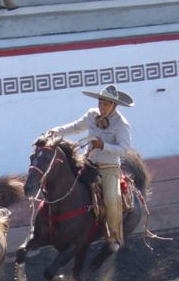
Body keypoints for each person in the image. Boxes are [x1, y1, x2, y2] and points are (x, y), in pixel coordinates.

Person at [46, 84, 134, 253]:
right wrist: (55, 131)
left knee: (111, 199)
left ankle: (114, 237)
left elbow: (124, 149)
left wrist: (103, 145)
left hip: (109, 168)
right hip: (88, 164)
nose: (102, 106)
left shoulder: (122, 124)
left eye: (106, 103)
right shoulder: (92, 114)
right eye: (101, 102)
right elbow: (75, 127)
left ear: (114, 105)